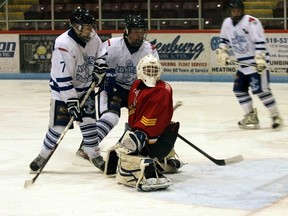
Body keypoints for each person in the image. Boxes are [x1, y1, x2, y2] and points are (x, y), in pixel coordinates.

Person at [29, 8, 108, 172]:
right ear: (75, 26)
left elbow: (101, 53)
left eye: (90, 26)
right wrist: (72, 102)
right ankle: (43, 156)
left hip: (85, 89)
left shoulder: (93, 37)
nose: (89, 30)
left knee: (89, 124)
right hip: (62, 92)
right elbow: (62, 77)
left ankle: (95, 155)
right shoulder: (63, 44)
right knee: (58, 127)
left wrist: (100, 67)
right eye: (85, 27)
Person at [75, 14, 159, 162]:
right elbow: (97, 63)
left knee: (142, 121)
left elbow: (154, 73)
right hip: (113, 88)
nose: (139, 36)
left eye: (141, 32)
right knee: (111, 117)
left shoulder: (149, 49)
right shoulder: (111, 45)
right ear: (126, 31)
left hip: (136, 89)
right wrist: (105, 76)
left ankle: (133, 145)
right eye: (135, 32)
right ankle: (87, 146)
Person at [104, 54, 182, 191]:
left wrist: (140, 136)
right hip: (140, 133)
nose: (151, 73)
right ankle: (164, 161)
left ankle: (154, 162)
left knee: (136, 144)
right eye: (148, 69)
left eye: (154, 69)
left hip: (153, 140)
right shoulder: (136, 85)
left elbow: (152, 123)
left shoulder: (163, 89)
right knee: (128, 144)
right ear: (140, 70)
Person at [216, 0, 283, 130]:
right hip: (242, 65)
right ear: (229, 11)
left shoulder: (251, 21)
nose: (236, 12)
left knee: (261, 91)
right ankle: (251, 115)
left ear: (242, 10)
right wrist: (223, 52)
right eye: (233, 10)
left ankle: (275, 116)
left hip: (255, 64)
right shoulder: (227, 23)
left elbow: (259, 41)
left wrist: (260, 58)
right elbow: (224, 40)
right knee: (239, 90)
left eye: (238, 10)